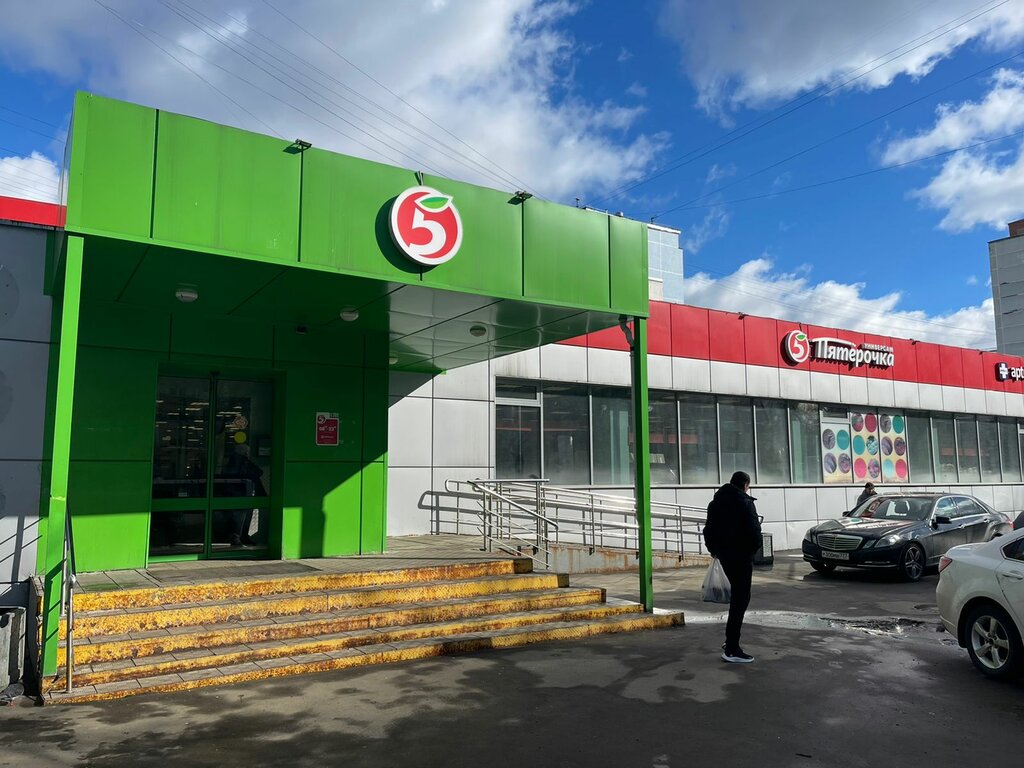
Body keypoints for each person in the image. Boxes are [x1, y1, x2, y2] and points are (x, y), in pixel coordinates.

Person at [703, 471, 762, 664]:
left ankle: (730, 642)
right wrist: (751, 552)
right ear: (745, 485)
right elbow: (755, 533)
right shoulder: (745, 503)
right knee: (740, 600)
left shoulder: (715, 503)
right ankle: (732, 648)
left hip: (724, 557)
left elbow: (708, 530)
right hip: (741, 559)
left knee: (736, 599)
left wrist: (714, 550)